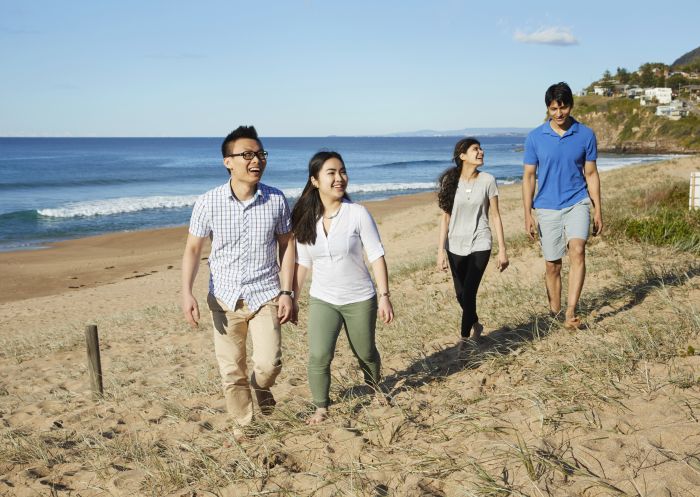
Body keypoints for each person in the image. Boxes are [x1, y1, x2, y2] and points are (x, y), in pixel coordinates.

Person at [181, 125, 295, 439]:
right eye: (247, 154)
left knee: (269, 364)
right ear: (228, 162)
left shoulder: (276, 200)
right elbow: (193, 248)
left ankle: (261, 387)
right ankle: (245, 427)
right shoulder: (208, 201)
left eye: (260, 154)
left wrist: (288, 292)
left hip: (266, 294)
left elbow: (287, 246)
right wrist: (186, 292)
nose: (256, 160)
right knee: (232, 371)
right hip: (224, 298)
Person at [291, 151, 394, 425]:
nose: (340, 178)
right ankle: (321, 408)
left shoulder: (357, 213)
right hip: (324, 299)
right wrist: (293, 298)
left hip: (360, 298)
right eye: (332, 173)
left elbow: (376, 255)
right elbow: (302, 263)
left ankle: (374, 387)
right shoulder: (305, 218)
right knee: (319, 354)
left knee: (366, 352)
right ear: (315, 181)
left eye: (343, 172)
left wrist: (384, 296)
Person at [522, 82, 603, 329]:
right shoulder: (535, 137)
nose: (559, 113)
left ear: (571, 106)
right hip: (546, 206)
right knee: (552, 264)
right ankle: (554, 312)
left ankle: (571, 312)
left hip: (577, 200)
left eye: (564, 107)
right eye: (554, 108)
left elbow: (591, 173)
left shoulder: (585, 134)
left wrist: (598, 208)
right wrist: (527, 213)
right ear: (548, 108)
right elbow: (528, 177)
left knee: (578, 249)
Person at [437, 138, 509, 346]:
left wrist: (502, 250)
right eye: (475, 149)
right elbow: (445, 218)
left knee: (469, 291)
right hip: (455, 244)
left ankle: (464, 339)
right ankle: (476, 324)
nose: (481, 152)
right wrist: (440, 251)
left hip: (481, 241)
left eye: (481, 148)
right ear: (462, 156)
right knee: (461, 294)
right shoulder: (450, 182)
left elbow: (495, 215)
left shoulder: (488, 180)